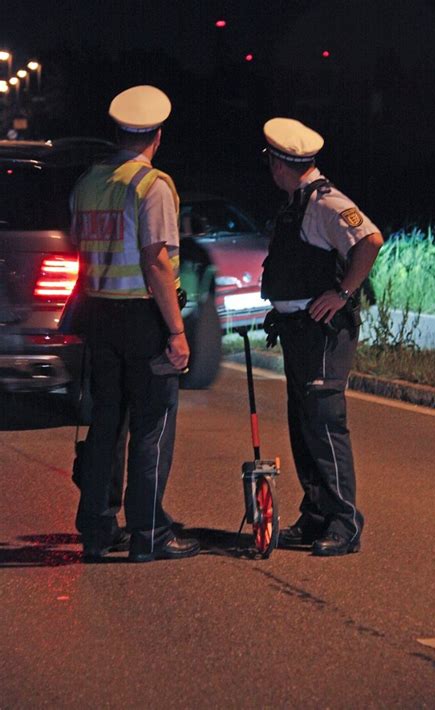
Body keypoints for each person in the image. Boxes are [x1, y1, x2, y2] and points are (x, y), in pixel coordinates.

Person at [70, 85, 200, 563]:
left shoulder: (88, 182)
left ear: (118, 132)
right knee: (153, 424)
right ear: (157, 136)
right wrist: (177, 332)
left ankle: (97, 528)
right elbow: (156, 262)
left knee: (106, 423)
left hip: (98, 314)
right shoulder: (152, 185)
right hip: (142, 318)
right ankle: (149, 533)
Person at [261, 117, 384, 556]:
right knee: (304, 425)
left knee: (325, 425)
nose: (268, 167)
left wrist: (343, 292)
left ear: (280, 163)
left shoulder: (325, 203)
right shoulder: (298, 201)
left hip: (324, 333)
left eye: (269, 159)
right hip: (299, 331)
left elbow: (370, 239)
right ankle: (315, 515)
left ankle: (343, 521)